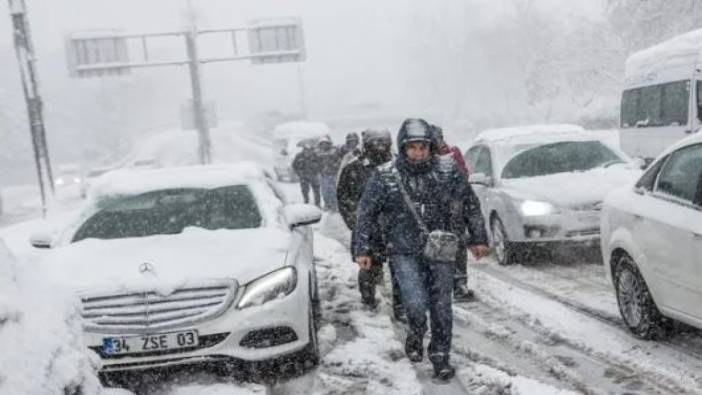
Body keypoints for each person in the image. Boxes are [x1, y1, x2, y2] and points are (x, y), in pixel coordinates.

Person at [353, 118, 489, 380]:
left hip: (440, 248)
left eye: (423, 147)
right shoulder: (385, 175)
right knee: (414, 304)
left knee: (441, 306)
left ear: (430, 147)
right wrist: (362, 249)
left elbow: (469, 203)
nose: (418, 153)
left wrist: (478, 238)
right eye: (412, 147)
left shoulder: (448, 170)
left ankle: (440, 357)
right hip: (403, 251)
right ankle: (415, 333)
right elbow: (366, 213)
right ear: (403, 148)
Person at [337, 129, 404, 319]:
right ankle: (369, 302)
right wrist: (356, 224)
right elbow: (344, 199)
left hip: (398, 228)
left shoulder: (401, 165)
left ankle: (402, 307)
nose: (380, 146)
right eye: (376, 142)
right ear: (366, 144)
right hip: (370, 229)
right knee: (369, 269)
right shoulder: (353, 169)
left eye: (383, 142)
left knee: (401, 269)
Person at [432, 125, 474, 301]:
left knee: (457, 243)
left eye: (439, 138)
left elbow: (464, 176)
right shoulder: (424, 159)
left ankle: (459, 282)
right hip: (434, 209)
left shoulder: (453, 154)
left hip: (454, 208)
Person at [292, 139, 321, 206]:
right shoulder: (299, 156)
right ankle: (306, 203)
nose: (307, 151)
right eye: (306, 149)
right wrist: (299, 173)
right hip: (303, 176)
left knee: (316, 191)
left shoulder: (315, 155)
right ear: (303, 149)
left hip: (314, 176)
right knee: (304, 191)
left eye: (309, 149)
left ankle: (317, 204)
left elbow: (320, 164)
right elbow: (294, 165)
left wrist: (317, 171)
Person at [317, 136, 341, 211]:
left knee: (333, 190)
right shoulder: (319, 153)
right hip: (324, 175)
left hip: (333, 174)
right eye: (322, 144)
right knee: (324, 191)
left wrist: (334, 165)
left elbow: (339, 161)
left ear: (328, 144)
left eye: (325, 143)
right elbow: (317, 164)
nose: (324, 145)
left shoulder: (334, 151)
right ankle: (327, 204)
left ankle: (334, 205)